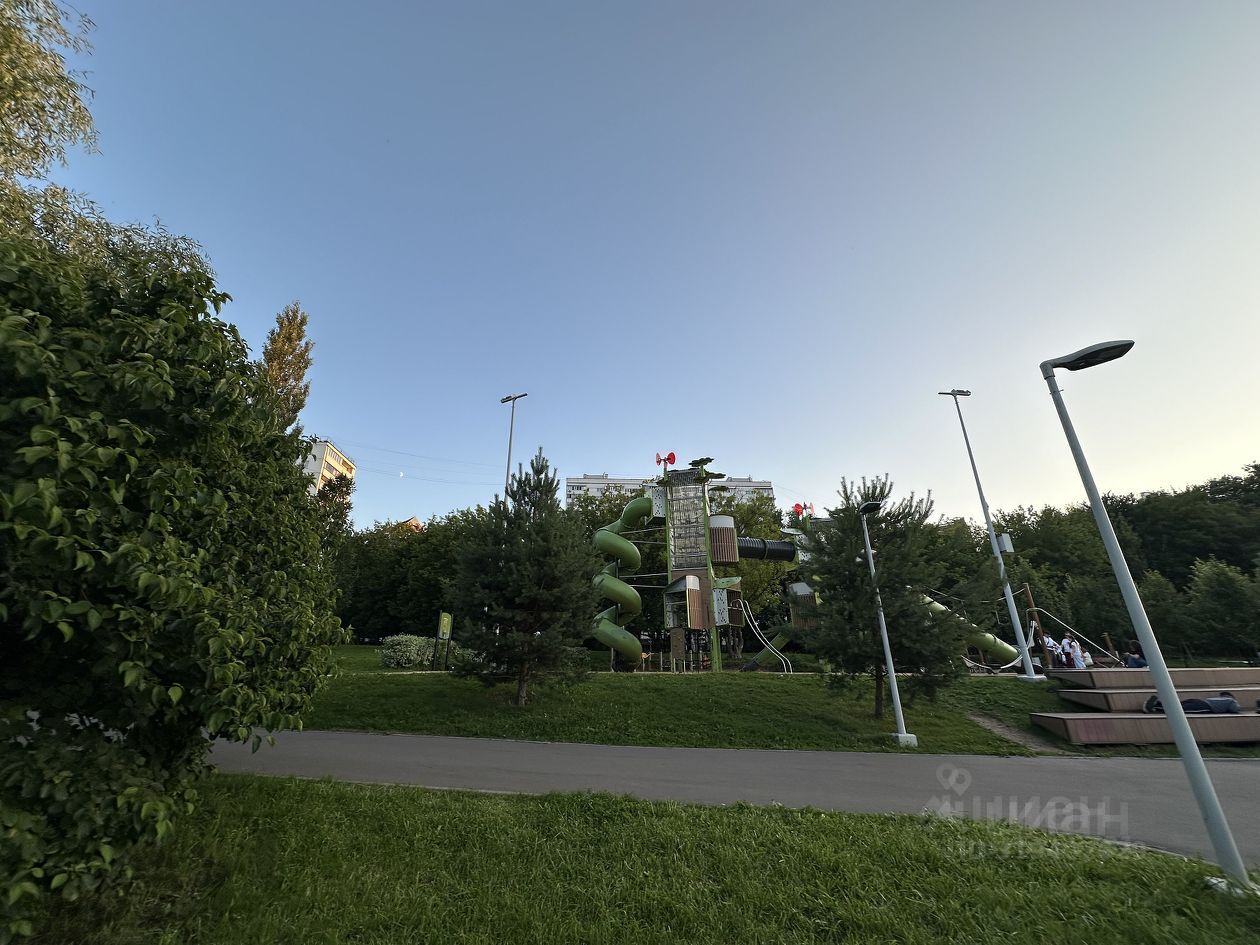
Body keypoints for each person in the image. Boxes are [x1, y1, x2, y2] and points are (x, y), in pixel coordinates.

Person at [1142, 692, 1242, 714]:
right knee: (1179, 711)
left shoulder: (1219, 699)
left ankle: (1157, 703)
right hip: (1206, 707)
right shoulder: (1232, 701)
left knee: (1178, 705)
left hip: (1199, 700)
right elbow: (1235, 709)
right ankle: (1154, 707)